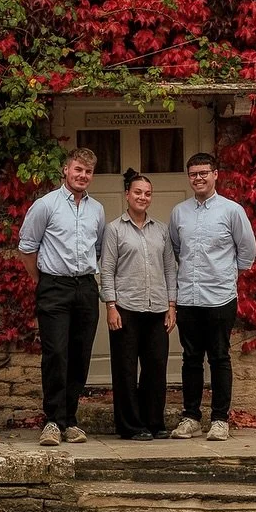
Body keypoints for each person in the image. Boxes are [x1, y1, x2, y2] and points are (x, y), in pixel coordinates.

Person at [18, 147, 107, 447]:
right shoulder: (46, 205)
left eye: (88, 172)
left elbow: (98, 250)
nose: (83, 175)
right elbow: (27, 246)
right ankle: (53, 421)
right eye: (78, 169)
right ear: (66, 170)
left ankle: (71, 420)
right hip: (54, 286)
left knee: (80, 355)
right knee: (56, 353)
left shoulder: (97, 209)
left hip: (85, 286)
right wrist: (39, 280)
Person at [169, 152, 256, 442]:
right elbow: (176, 249)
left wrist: (226, 274)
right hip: (188, 299)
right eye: (193, 173)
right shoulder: (179, 212)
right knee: (190, 359)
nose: (198, 178)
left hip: (219, 297)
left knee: (219, 357)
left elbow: (247, 252)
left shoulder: (232, 211)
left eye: (204, 172)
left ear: (216, 174)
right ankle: (191, 417)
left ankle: (220, 419)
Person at [99, 169, 176, 441]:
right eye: (138, 192)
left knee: (156, 368)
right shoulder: (114, 229)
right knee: (126, 369)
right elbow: (106, 270)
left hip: (157, 309)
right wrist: (110, 305)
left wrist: (171, 305)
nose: (143, 197)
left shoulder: (162, 230)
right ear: (127, 196)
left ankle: (154, 422)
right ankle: (130, 426)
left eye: (147, 193)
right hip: (125, 309)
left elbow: (169, 268)